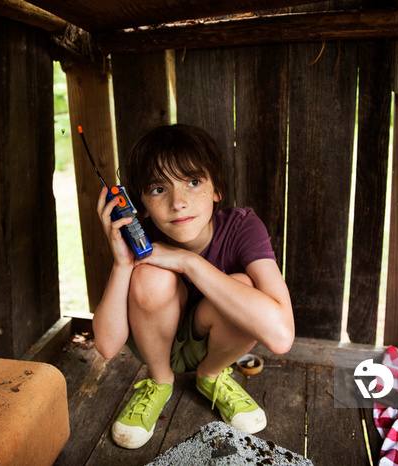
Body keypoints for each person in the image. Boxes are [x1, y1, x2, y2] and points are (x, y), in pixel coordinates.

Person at [92, 124, 295, 450]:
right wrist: (121, 263)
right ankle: (160, 382)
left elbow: (281, 335)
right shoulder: (139, 236)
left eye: (193, 182)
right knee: (149, 276)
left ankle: (211, 375)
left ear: (217, 188)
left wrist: (189, 262)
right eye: (159, 189)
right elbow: (106, 345)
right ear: (141, 203)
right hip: (156, 343)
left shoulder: (243, 227)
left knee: (244, 288)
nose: (178, 203)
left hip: (213, 342)